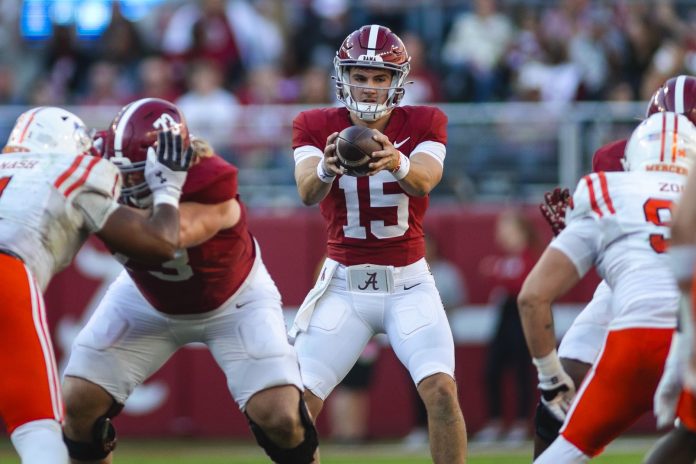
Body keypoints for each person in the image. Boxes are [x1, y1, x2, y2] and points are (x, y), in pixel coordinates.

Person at [61, 98, 318, 464]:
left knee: (281, 417)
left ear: (169, 165)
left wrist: (165, 191)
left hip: (234, 302)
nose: (125, 182)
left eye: (136, 173)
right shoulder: (100, 162)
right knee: (76, 404)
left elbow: (162, 241)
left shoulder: (211, 183)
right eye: (120, 171)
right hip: (145, 297)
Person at [290, 25, 467, 463]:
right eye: (360, 76)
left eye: (380, 78)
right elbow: (307, 192)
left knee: (441, 391)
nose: (369, 88)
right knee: (293, 409)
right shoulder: (314, 125)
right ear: (342, 77)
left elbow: (425, 179)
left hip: (409, 283)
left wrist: (398, 161)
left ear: (398, 81)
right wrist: (329, 168)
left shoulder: (425, 121)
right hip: (343, 284)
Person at [0, 106, 191, 464]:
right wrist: (168, 189)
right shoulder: (71, 168)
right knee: (40, 434)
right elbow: (161, 244)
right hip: (5, 269)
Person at [532, 74, 696, 458]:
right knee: (560, 390)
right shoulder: (614, 159)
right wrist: (579, 235)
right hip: (633, 283)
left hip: (687, 286)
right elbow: (622, 248)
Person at [474, 209, 540, 444]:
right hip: (504, 317)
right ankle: (496, 421)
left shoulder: (529, 257)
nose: (501, 234)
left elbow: (521, 285)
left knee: (523, 371)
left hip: (522, 316)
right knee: (491, 370)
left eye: (506, 229)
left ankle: (523, 423)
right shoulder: (502, 259)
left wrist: (497, 274)